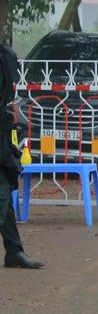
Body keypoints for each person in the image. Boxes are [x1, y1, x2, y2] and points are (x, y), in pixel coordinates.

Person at [0, 40, 41, 270]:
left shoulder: (4, 56)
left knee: (5, 189)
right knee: (2, 194)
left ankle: (14, 251)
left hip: (4, 138)